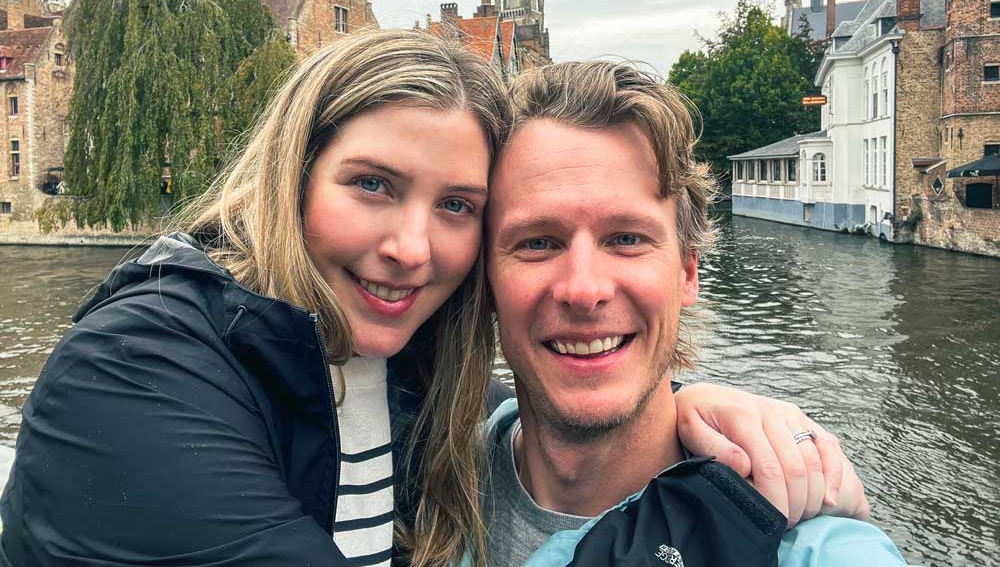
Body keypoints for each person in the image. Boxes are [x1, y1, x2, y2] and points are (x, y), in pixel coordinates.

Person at [1, 30, 864, 567]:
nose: (413, 248)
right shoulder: (140, 369)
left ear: (687, 271)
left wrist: (681, 404)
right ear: (289, 181)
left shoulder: (408, 383)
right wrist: (709, 516)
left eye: (457, 206)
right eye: (372, 184)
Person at [481, 60, 907, 566]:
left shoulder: (805, 549)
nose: (584, 289)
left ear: (687, 273)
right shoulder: (425, 468)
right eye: (537, 242)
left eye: (626, 239)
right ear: (482, 279)